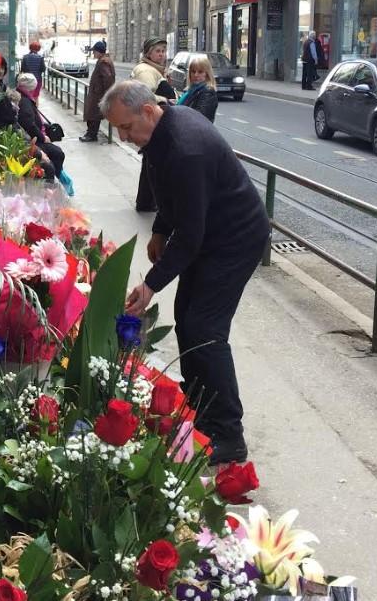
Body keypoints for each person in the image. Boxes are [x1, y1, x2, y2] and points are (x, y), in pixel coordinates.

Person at [103, 80, 269, 466]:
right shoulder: (161, 133)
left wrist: (150, 285)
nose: (125, 138)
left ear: (147, 110)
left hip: (234, 239)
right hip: (210, 235)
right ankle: (198, 405)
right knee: (187, 321)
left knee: (205, 329)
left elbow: (191, 236)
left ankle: (227, 432)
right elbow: (173, 195)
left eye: (126, 127)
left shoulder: (185, 146)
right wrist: (161, 229)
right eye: (118, 131)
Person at [131, 37, 173, 212]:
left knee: (152, 162)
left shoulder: (152, 69)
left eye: (163, 51)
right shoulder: (146, 70)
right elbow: (144, 96)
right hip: (153, 124)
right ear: (148, 52)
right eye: (158, 51)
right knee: (154, 163)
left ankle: (147, 201)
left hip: (152, 122)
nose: (162, 54)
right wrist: (167, 100)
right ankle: (148, 202)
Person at [15, 72, 64, 181]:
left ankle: (56, 178)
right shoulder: (24, 101)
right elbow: (29, 124)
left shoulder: (24, 98)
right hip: (33, 140)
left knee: (57, 152)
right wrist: (43, 137)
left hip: (34, 138)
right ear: (30, 88)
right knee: (58, 154)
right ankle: (54, 181)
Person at [80, 41, 116, 142]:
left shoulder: (103, 61)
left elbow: (108, 78)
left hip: (98, 94)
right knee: (93, 113)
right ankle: (90, 133)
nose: (93, 54)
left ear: (99, 52)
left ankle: (91, 135)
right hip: (98, 92)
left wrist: (106, 93)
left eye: (94, 51)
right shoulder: (103, 60)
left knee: (94, 114)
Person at [177, 55, 219, 123]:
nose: (196, 75)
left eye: (200, 72)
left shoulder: (207, 92)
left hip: (197, 131)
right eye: (193, 71)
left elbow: (199, 115)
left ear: (207, 74)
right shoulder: (190, 90)